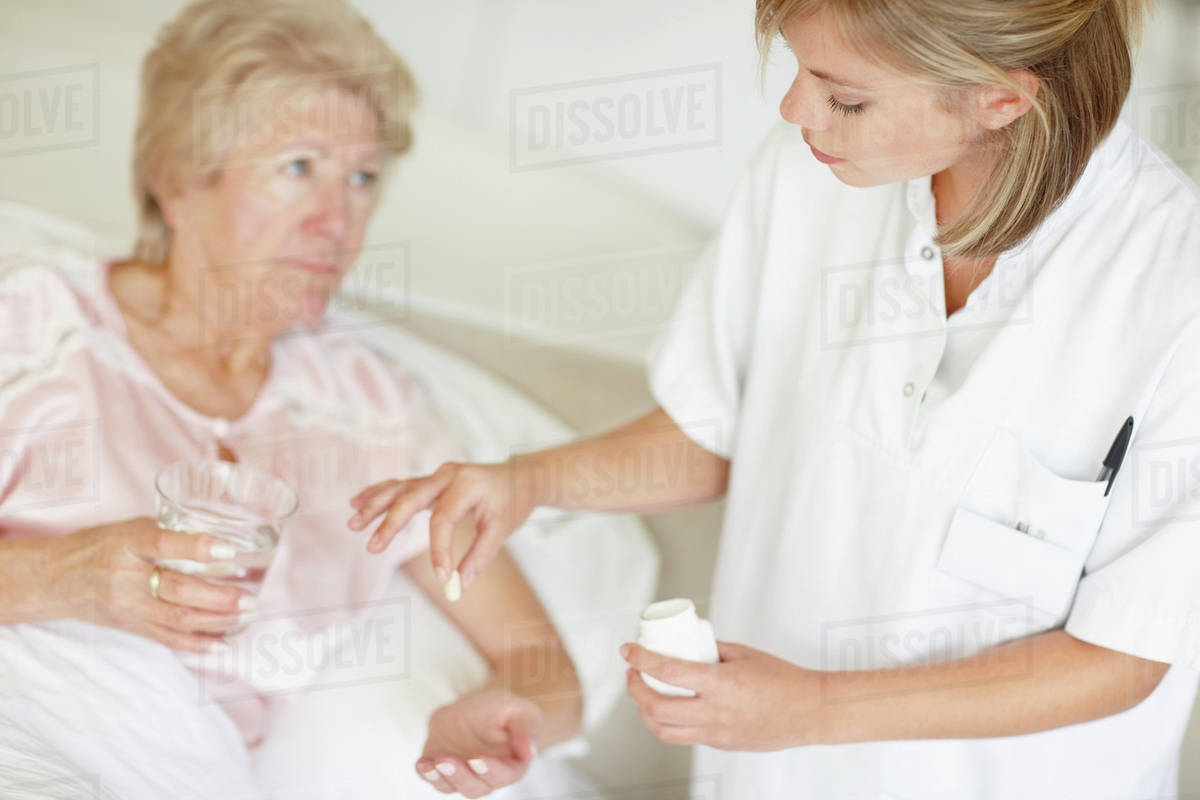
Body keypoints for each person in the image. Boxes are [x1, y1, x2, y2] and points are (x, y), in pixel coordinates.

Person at [350, 0, 1200, 796]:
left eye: (846, 98)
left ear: (1000, 100)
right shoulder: (813, 172)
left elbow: (1124, 657)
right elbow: (712, 433)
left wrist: (814, 709)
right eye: (799, 70)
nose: (796, 110)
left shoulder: (1172, 291)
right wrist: (528, 482)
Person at [0, 1, 583, 798]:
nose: (335, 222)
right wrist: (63, 575)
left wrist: (509, 711)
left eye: (362, 178)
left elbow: (540, 662)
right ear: (178, 178)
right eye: (299, 167)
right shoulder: (34, 324)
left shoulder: (371, 411)